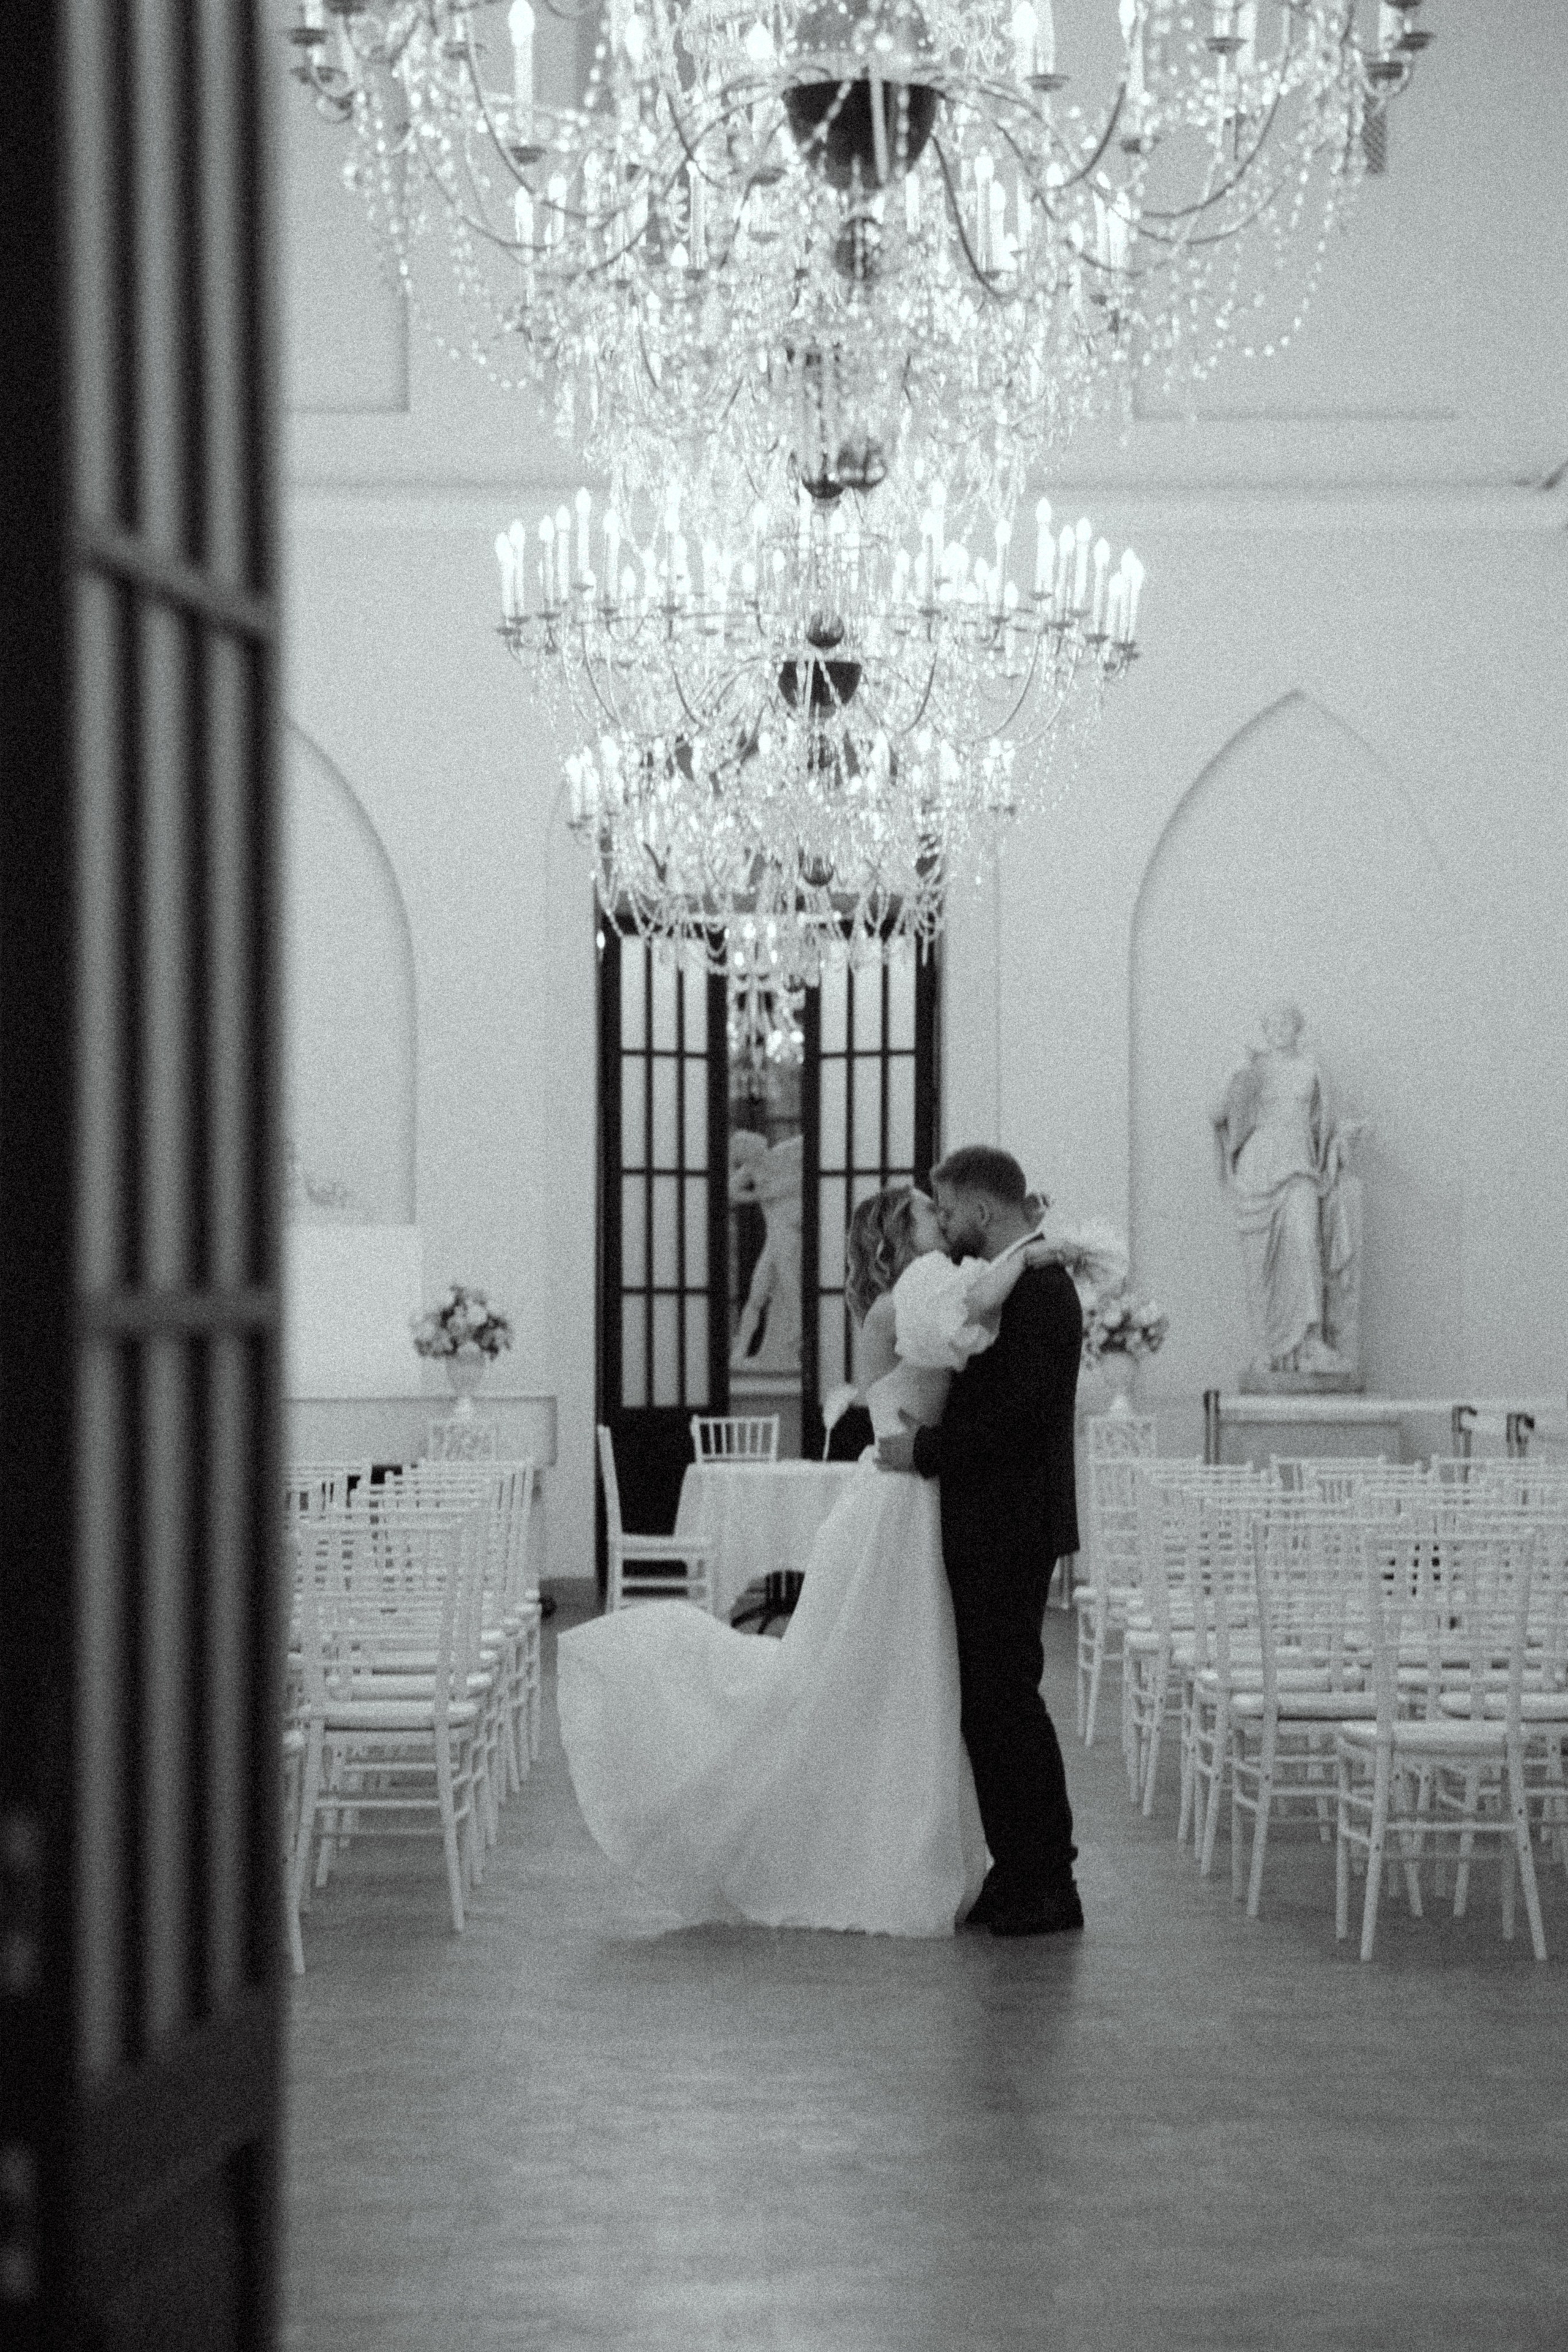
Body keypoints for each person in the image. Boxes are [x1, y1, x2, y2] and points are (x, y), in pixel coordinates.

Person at [556, 1184, 1061, 1937]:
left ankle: (947, 1851)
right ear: (900, 1235)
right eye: (929, 1213)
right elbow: (973, 1322)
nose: (943, 1221)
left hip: (917, 1494)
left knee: (910, 1681)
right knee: (891, 1678)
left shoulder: (919, 1295)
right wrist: (1028, 1252)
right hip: (904, 1504)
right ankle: (893, 1852)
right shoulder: (906, 1306)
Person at [876, 1144, 1084, 1937]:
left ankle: (1050, 1880)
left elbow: (1015, 1420)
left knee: (1007, 1701)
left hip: (1011, 1521)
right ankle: (1018, 1866)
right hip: (994, 1518)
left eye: (952, 1209)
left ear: (986, 1211)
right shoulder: (1008, 1286)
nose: (948, 1225)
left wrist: (922, 1451)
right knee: (988, 1706)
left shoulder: (1036, 1289)